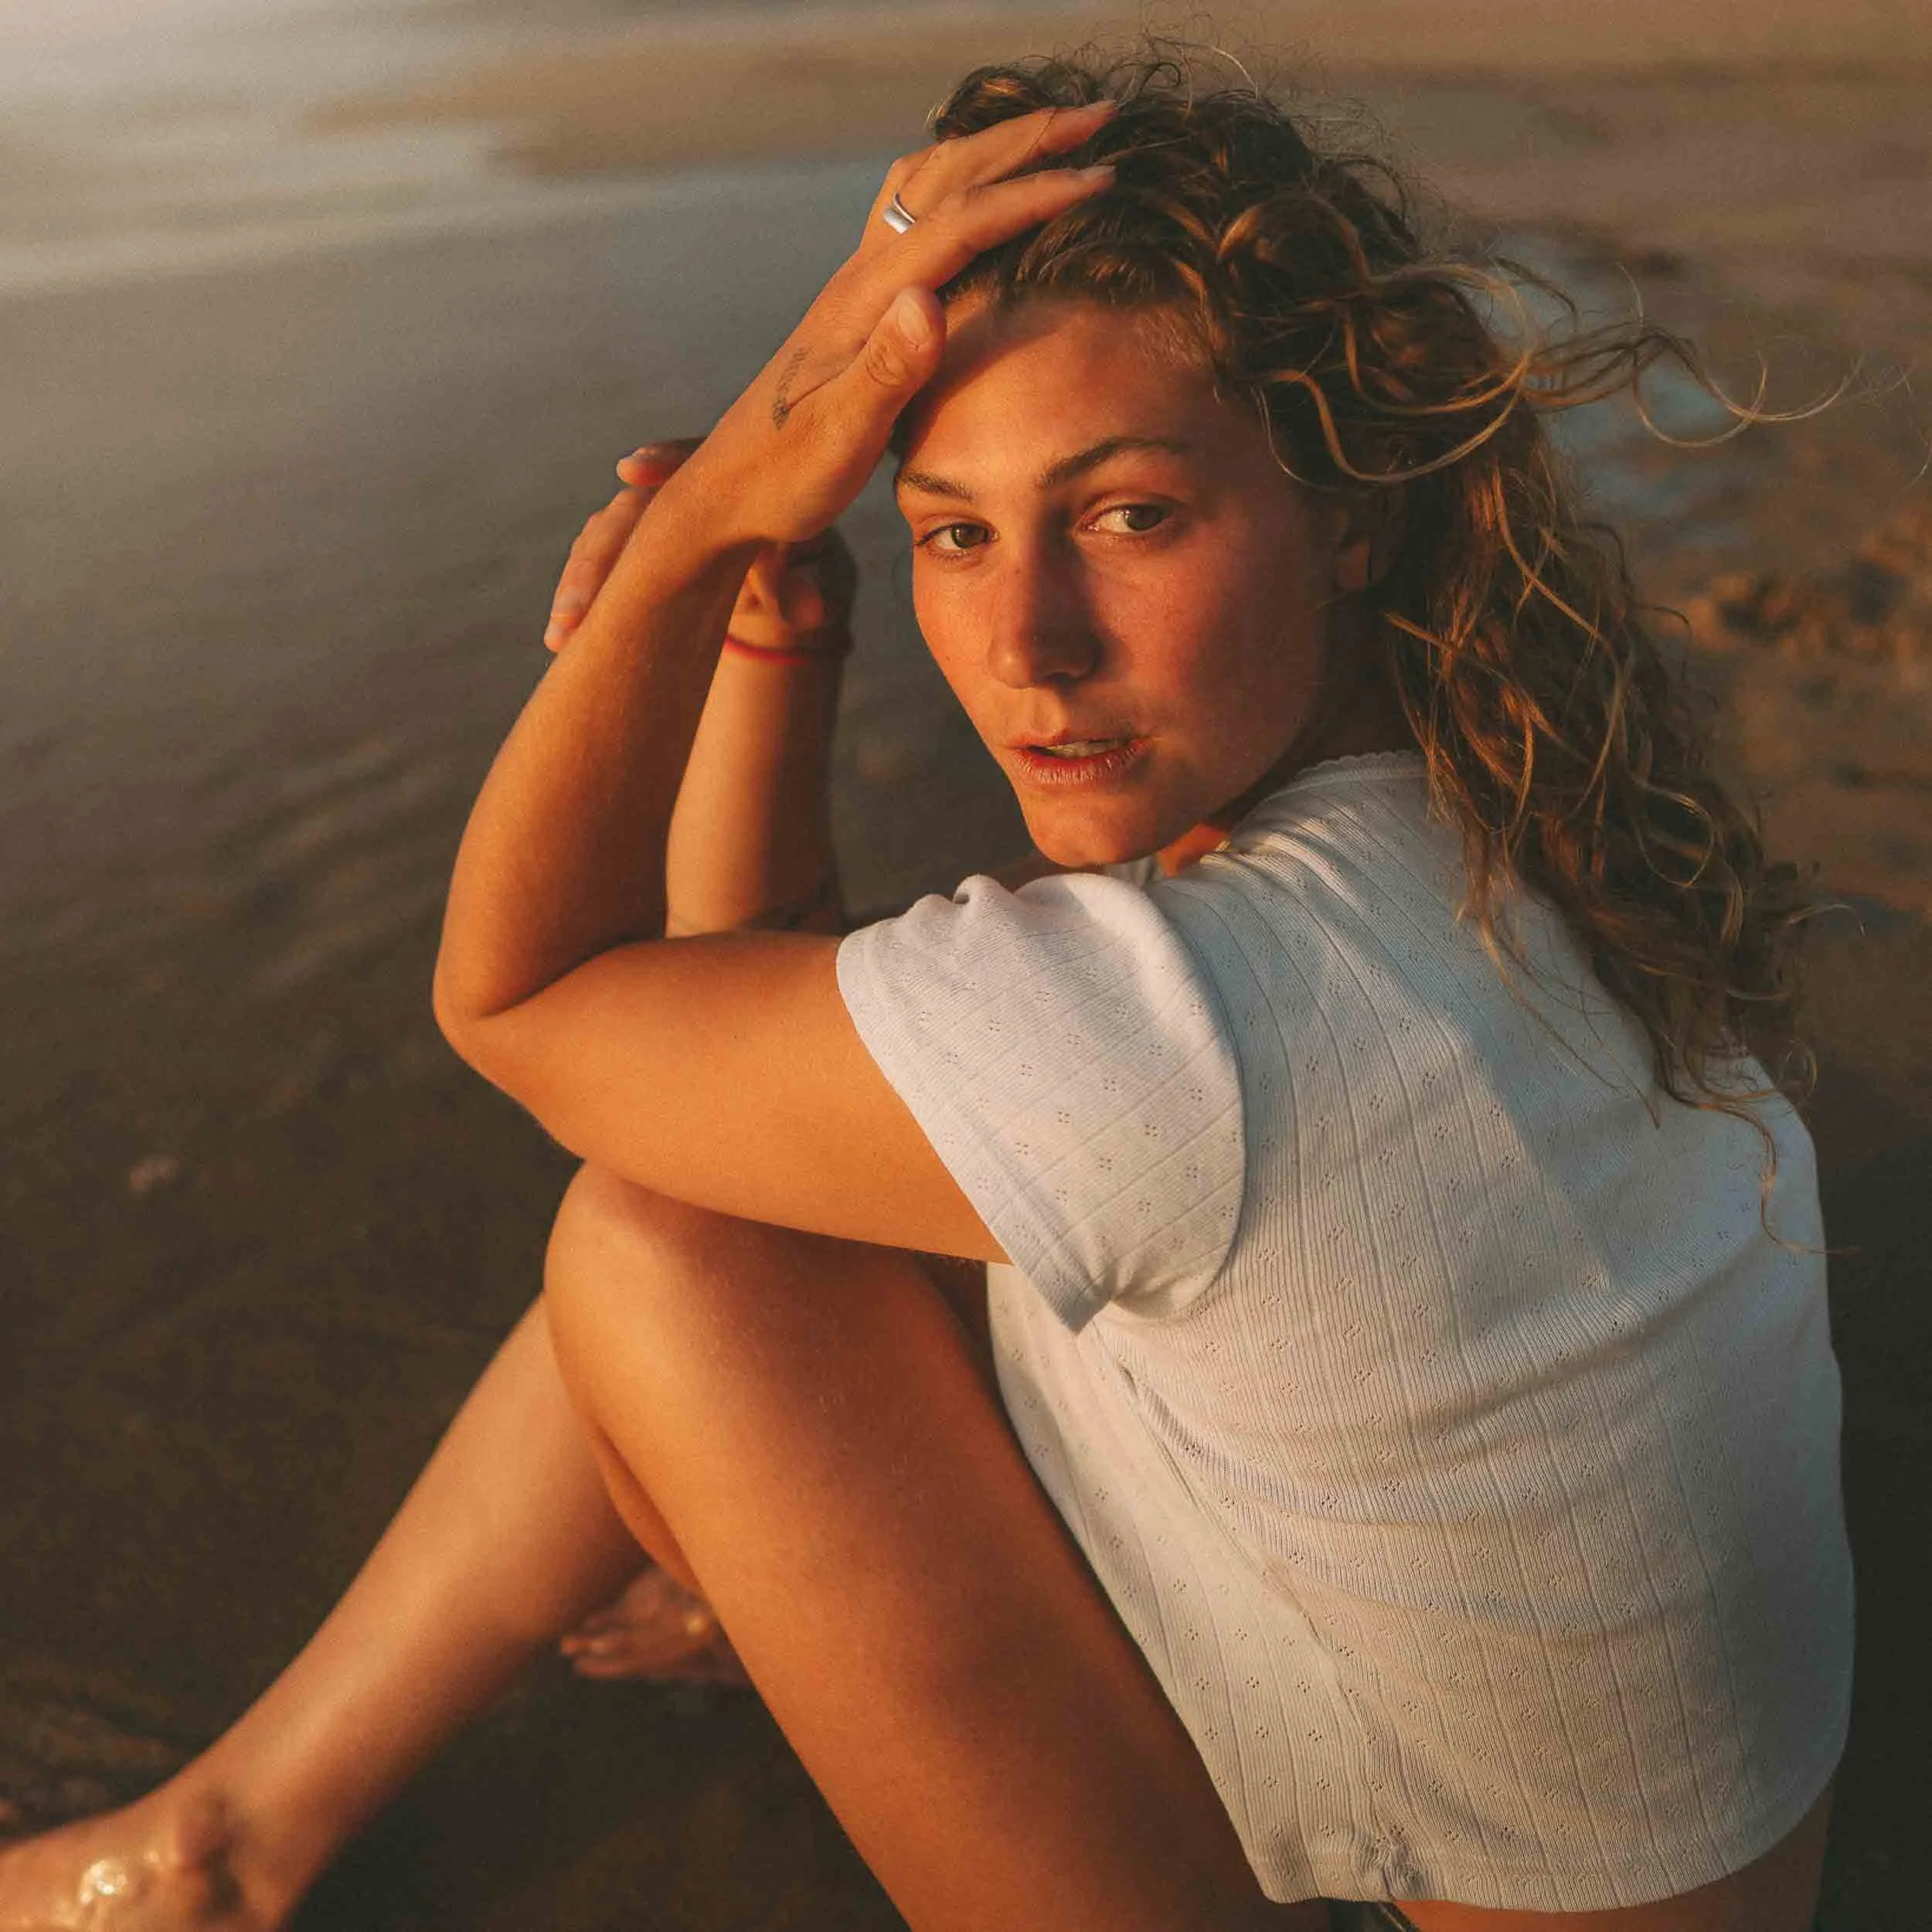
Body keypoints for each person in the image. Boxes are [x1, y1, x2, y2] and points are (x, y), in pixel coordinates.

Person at [0, 49, 1851, 1932]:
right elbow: (759, 1094)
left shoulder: (1195, 1012)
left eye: (1127, 514)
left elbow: (525, 1004)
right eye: (955, 531)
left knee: (653, 1253)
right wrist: (770, 646)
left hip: (1410, 1900)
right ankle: (237, 1833)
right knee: (746, 1183)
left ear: (1345, 510)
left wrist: (698, 530)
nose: (1025, 640)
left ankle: (214, 1852)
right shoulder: (1509, 825)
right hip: (1557, 1832)